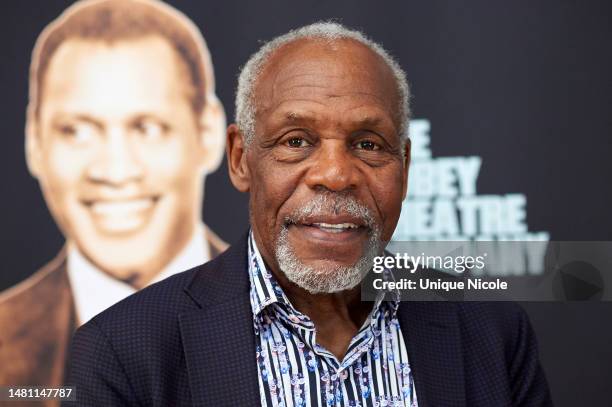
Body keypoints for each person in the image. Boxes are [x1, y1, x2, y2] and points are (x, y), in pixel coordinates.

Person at [67, 22, 552, 406]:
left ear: (403, 168)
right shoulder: (124, 352)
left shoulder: (492, 330)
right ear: (240, 158)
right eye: (296, 141)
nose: (336, 175)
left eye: (368, 144)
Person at [0, 0, 227, 390]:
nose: (115, 170)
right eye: (77, 130)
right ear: (34, 143)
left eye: (148, 128)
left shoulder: (311, 326)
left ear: (208, 134)